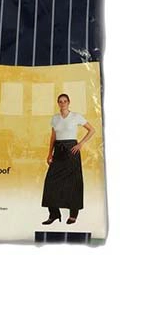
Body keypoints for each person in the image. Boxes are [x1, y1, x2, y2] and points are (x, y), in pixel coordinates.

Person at [41, 93, 95, 225]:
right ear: (58, 103)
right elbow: (53, 137)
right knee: (50, 182)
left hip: (72, 151)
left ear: (69, 102)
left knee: (73, 183)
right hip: (58, 151)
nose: (63, 103)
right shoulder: (55, 118)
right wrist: (49, 154)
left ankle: (73, 214)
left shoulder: (76, 116)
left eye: (65, 101)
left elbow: (92, 130)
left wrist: (80, 144)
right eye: (60, 101)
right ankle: (54, 214)